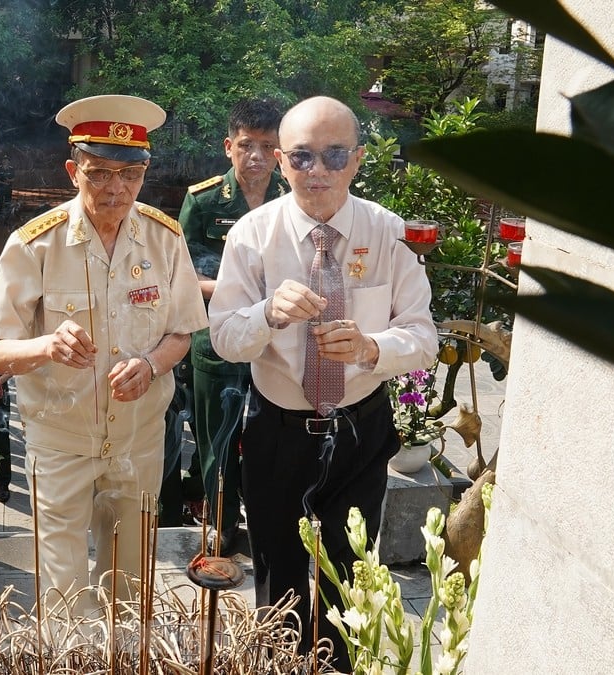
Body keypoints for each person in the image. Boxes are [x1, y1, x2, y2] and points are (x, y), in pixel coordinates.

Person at [209, 96, 436, 671]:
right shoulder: (253, 234)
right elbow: (224, 339)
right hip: (277, 427)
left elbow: (423, 337)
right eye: (303, 157)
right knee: (277, 569)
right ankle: (279, 663)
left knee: (349, 570)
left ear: (357, 159)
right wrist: (268, 314)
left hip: (359, 426)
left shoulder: (387, 232)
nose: (318, 172)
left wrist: (370, 348)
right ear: (281, 161)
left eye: (334, 155)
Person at [0, 94, 208, 610]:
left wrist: (150, 365)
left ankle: (123, 657)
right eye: (100, 172)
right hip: (60, 439)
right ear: (72, 170)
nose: (116, 188)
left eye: (130, 174)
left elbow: (182, 332)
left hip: (137, 437)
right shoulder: (33, 244)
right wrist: (46, 345)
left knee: (130, 583)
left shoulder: (165, 239)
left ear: (144, 174)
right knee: (61, 582)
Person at [175, 97, 287, 552]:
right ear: (228, 147)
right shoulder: (202, 202)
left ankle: (264, 520)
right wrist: (231, 294)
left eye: (266, 145)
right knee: (216, 437)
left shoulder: (293, 198)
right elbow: (180, 273)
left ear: (280, 151)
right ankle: (222, 522)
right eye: (246, 145)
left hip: (278, 340)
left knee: (269, 436)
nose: (256, 156)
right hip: (216, 338)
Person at [0, 156, 15, 224]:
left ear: (9, 161)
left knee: (7, 204)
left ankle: (6, 220)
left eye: (7, 160)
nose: (5, 161)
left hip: (8, 189)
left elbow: (14, 178)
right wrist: (3, 183)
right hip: (0, 188)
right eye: (4, 160)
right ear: (2, 161)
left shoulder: (11, 169)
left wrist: (9, 180)